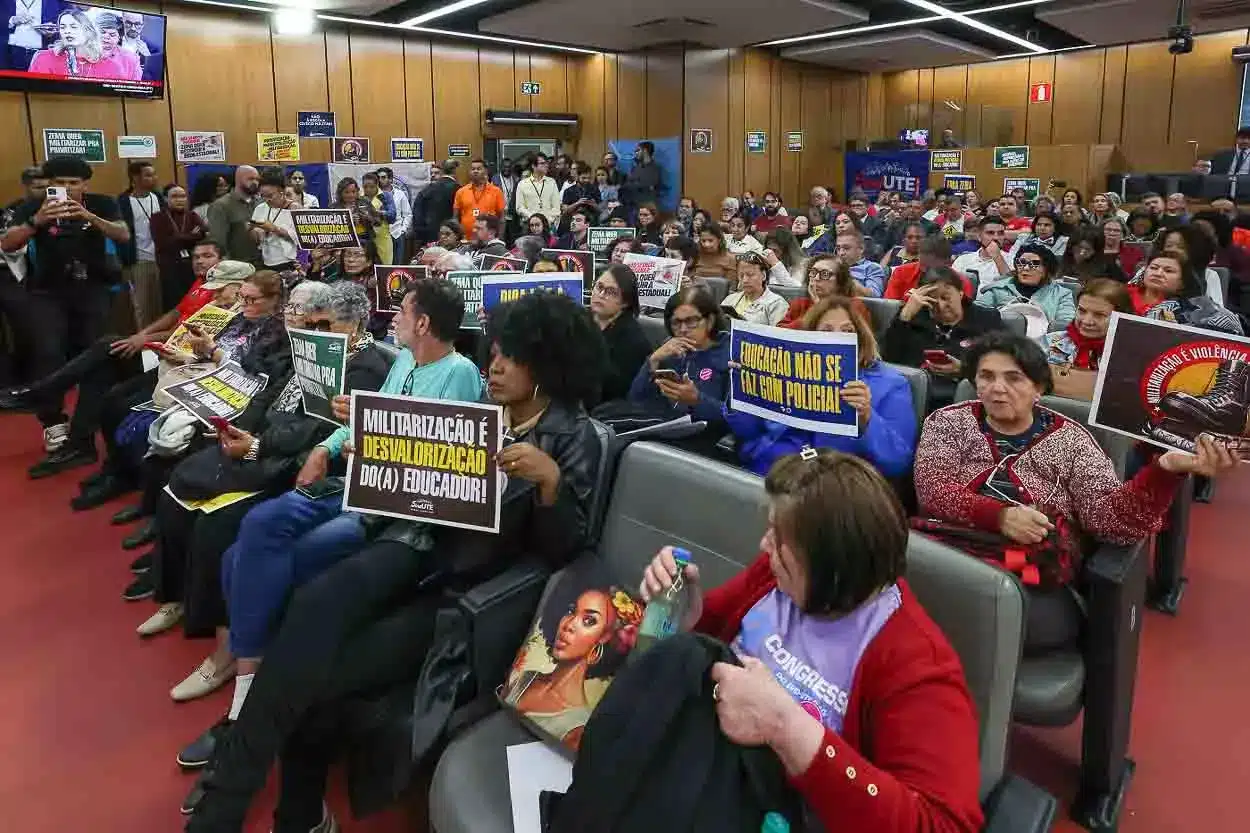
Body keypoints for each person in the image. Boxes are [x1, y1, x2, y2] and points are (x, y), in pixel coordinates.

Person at [183, 292, 605, 830]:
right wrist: (377, 457)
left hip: (468, 595)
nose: (493, 366)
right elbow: (425, 492)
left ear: (547, 366)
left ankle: (273, 808)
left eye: (511, 357)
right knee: (311, 605)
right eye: (495, 352)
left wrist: (550, 483)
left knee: (317, 675)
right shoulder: (484, 414)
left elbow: (565, 554)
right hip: (415, 548)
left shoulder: (575, 437)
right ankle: (235, 793)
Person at [632, 451, 983, 833]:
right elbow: (707, 639)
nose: (765, 546)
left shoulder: (916, 663)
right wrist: (683, 613)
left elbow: (943, 825)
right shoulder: (776, 575)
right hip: (697, 776)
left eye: (780, 538)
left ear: (834, 563)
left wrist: (786, 727)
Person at [139, 282, 390, 718]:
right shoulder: (312, 349)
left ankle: (228, 650)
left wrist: (256, 445)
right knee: (175, 485)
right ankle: (174, 594)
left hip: (296, 464)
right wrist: (241, 426)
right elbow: (272, 397)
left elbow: (319, 430)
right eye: (309, 321)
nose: (313, 329)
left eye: (323, 323)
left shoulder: (365, 366)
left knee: (217, 527)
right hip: (269, 442)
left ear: (351, 326)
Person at [913, 331, 1235, 653]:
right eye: (986, 376)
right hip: (948, 554)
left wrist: (1164, 471)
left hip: (1030, 575)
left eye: (1014, 378)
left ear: (1039, 387)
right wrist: (1000, 516)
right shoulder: (949, 422)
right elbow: (932, 489)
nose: (997, 388)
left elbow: (1111, 521)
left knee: (959, 618)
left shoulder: (1072, 441)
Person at [62, 250, 240, 508]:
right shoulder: (209, 303)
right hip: (172, 363)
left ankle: (126, 475)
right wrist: (155, 340)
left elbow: (222, 360)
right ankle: (115, 470)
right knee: (111, 393)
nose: (215, 294)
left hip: (194, 374)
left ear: (239, 287)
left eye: (221, 289)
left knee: (121, 401)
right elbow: (179, 323)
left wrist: (157, 343)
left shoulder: (240, 316)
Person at [0, 155, 129, 457]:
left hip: (93, 287)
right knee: (47, 351)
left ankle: (84, 427)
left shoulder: (102, 203)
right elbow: (8, 244)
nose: (67, 189)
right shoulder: (33, 206)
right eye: (60, 183)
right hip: (46, 291)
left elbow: (122, 234)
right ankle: (53, 422)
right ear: (49, 184)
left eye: (74, 183)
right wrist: (37, 222)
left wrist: (88, 216)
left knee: (93, 354)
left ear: (85, 183)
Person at [727, 296, 916, 478]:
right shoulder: (785, 369)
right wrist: (744, 386)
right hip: (774, 466)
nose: (836, 337)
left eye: (847, 331)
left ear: (860, 337)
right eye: (826, 330)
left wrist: (867, 418)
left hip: (837, 482)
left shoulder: (891, 383)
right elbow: (746, 431)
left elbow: (898, 461)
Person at [882, 267, 1002, 409]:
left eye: (946, 297)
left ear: (961, 293)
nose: (940, 305)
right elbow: (887, 360)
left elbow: (1002, 363)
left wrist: (964, 369)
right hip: (911, 396)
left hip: (963, 398)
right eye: (932, 300)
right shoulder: (912, 318)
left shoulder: (986, 319)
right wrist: (904, 316)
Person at [628, 287, 728, 431]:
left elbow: (736, 418)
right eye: (676, 323)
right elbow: (635, 400)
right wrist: (653, 360)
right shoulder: (669, 350)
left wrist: (697, 400)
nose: (683, 329)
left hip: (707, 438)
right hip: (663, 430)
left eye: (691, 321)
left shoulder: (730, 354)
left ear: (710, 321)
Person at [1040, 278, 1133, 400]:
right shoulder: (1047, 343)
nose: (1087, 321)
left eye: (1099, 315)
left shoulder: (1130, 359)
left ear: (1122, 317)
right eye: (1082, 311)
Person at [1127, 252, 1243, 335]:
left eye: (1168, 271)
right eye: (1153, 268)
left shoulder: (1199, 310)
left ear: (1182, 282)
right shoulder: (1120, 294)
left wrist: (1177, 331)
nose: (1158, 273)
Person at [975, 242, 1075, 332]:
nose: (1026, 268)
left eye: (1034, 264)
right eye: (1021, 263)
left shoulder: (1062, 294)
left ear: (1047, 269)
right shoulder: (999, 288)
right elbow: (976, 312)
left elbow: (1066, 323)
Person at [589, 264, 651, 403]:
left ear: (625, 302)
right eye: (599, 287)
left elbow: (614, 390)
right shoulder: (579, 318)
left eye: (611, 292)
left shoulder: (634, 341)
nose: (601, 295)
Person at [118, 160, 165, 328]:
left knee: (160, 305)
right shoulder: (123, 202)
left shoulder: (158, 198)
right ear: (135, 178)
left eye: (154, 174)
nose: (154, 178)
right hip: (138, 260)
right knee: (142, 306)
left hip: (161, 258)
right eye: (148, 175)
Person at [27, 8, 134, 79]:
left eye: (73, 27)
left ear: (88, 31)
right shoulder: (43, 58)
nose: (67, 31)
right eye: (63, 27)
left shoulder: (111, 66)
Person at [151, 183, 209, 312]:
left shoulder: (192, 215)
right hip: (169, 266)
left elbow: (203, 234)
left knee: (193, 300)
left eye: (183, 196)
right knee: (172, 303)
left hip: (191, 266)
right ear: (166, 198)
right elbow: (164, 243)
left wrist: (179, 237)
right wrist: (190, 236)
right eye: (175, 196)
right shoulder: (158, 217)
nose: (180, 199)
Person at [778, 255, 862, 326]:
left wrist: (819, 308)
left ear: (840, 281)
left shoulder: (854, 306)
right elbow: (780, 334)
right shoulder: (799, 304)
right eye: (813, 272)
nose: (816, 278)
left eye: (825, 274)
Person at [884, 236, 973, 301]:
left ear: (948, 264)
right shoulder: (901, 272)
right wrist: (907, 302)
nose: (925, 272)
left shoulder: (962, 282)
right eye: (922, 265)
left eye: (931, 268)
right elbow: (889, 307)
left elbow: (962, 319)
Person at [208, 166, 261, 263]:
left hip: (262, 264)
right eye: (250, 179)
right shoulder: (221, 206)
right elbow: (218, 242)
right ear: (238, 179)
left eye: (257, 179)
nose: (255, 182)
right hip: (237, 266)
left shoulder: (260, 204)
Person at [249, 172, 298, 272]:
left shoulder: (294, 208)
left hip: (290, 262)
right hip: (265, 260)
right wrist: (253, 231)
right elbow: (255, 239)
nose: (267, 200)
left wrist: (274, 229)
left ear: (282, 192)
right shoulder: (260, 208)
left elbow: (302, 237)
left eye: (270, 196)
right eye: (263, 196)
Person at [721, 252, 788, 325]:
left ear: (763, 275)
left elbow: (779, 334)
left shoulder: (776, 304)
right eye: (741, 275)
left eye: (750, 275)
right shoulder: (730, 299)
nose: (745, 280)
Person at [452, 158, 506, 239]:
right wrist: (459, 237)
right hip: (466, 239)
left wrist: (499, 238)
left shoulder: (496, 191)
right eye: (473, 169)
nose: (475, 171)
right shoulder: (461, 192)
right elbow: (455, 218)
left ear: (486, 171)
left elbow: (502, 218)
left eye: (479, 169)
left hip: (489, 239)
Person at [951, 217, 1009, 289]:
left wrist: (997, 257)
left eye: (1001, 233)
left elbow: (1011, 287)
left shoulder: (1012, 259)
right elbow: (951, 286)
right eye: (990, 233)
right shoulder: (963, 260)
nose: (996, 237)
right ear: (979, 236)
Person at [412, 160, 458, 245]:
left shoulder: (426, 191)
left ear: (443, 173)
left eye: (436, 173)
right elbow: (417, 215)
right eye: (431, 173)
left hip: (434, 235)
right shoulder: (458, 189)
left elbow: (417, 214)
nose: (433, 175)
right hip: (445, 235)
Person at [516, 152, 560, 230]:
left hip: (548, 225)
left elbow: (556, 207)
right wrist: (533, 219)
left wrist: (546, 221)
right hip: (529, 225)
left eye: (547, 163)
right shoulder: (522, 184)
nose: (546, 165)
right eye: (542, 163)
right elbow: (520, 208)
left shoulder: (551, 182)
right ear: (533, 166)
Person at [833, 231, 886, 297]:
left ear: (861, 249)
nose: (841, 253)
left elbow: (874, 296)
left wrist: (846, 277)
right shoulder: (832, 266)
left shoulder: (872, 268)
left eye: (846, 248)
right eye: (838, 249)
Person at [374, 167, 410, 263]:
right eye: (378, 178)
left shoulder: (400, 194)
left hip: (397, 234)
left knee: (397, 265)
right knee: (381, 265)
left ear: (390, 179)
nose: (380, 180)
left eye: (383, 177)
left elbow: (407, 214)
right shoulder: (373, 195)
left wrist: (403, 230)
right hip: (380, 235)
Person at [331, 176, 379, 246]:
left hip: (366, 240)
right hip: (345, 242)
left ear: (357, 191)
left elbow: (378, 222)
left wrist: (368, 217)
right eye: (347, 192)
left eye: (353, 192)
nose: (351, 195)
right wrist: (348, 220)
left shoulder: (364, 202)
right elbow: (331, 230)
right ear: (340, 193)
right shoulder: (334, 207)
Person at [361, 172, 395, 265]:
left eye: (371, 186)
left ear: (377, 185)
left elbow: (392, 216)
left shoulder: (386, 196)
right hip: (365, 239)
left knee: (385, 267)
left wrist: (377, 213)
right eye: (365, 187)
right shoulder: (359, 197)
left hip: (383, 239)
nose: (368, 189)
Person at [557, 161, 600, 236]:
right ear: (577, 177)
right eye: (583, 178)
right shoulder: (569, 191)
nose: (586, 180)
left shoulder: (594, 189)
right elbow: (565, 210)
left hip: (590, 222)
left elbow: (600, 210)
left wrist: (593, 204)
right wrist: (578, 203)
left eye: (589, 178)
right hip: (572, 221)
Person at [622, 140, 662, 213]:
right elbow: (627, 185)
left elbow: (647, 184)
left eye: (638, 150)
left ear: (645, 151)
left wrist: (634, 183)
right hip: (633, 207)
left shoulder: (655, 168)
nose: (635, 153)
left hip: (647, 208)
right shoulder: (635, 168)